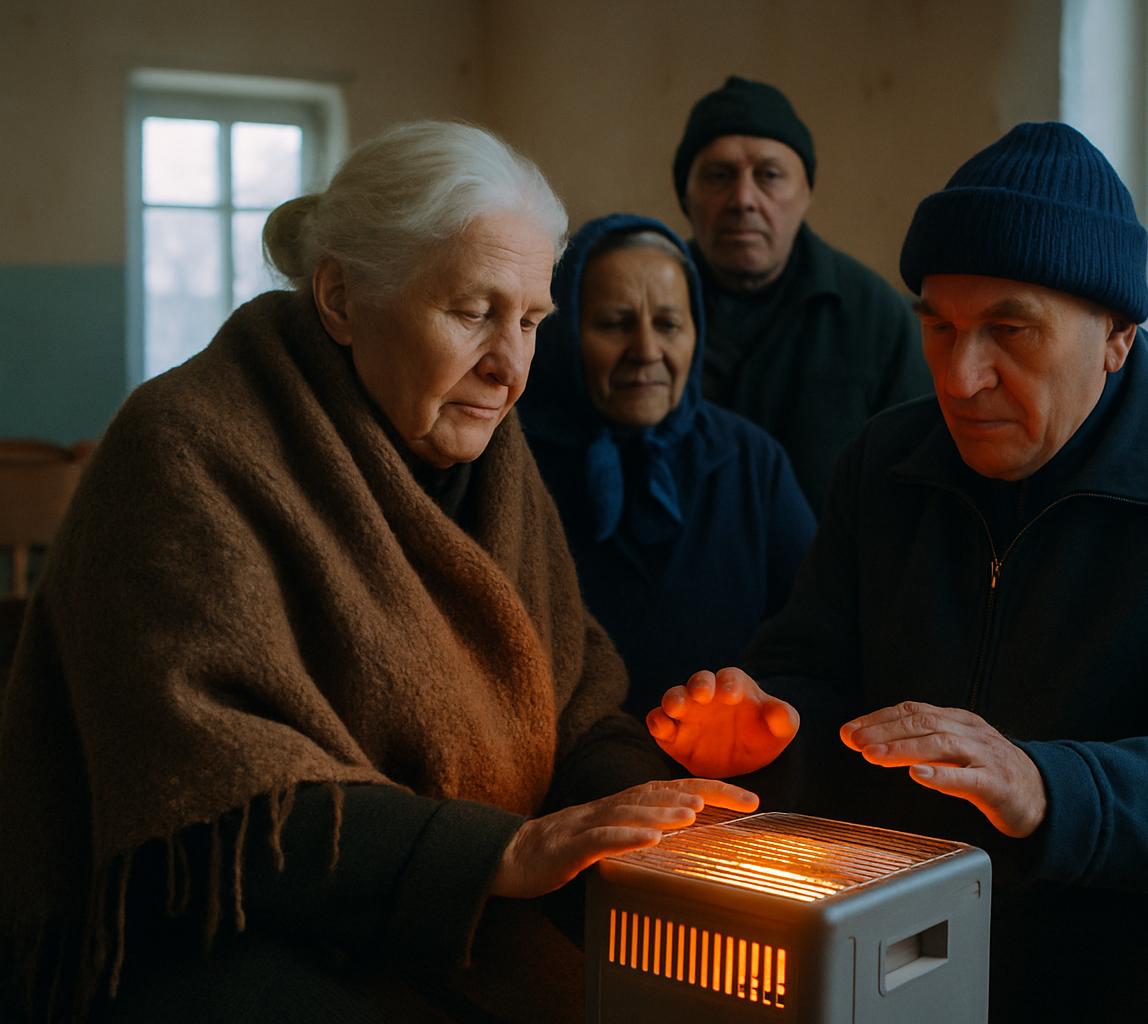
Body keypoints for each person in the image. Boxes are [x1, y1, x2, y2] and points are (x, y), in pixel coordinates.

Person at [0, 122, 756, 1024]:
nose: (511, 368)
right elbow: (208, 801)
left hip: (451, 908)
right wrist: (496, 858)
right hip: (217, 939)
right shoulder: (185, 450)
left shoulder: (496, 464)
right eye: (474, 312)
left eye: (531, 322)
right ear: (342, 297)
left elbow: (574, 705)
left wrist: (655, 795)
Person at [647, 122, 1148, 1022]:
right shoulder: (886, 462)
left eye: (1009, 330)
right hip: (928, 874)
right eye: (939, 328)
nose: (961, 376)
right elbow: (812, 672)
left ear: (1118, 337)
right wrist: (766, 729)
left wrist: (1046, 787)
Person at [519, 213, 816, 719]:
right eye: (614, 324)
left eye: (669, 324)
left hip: (727, 772)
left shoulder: (749, 462)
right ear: (563, 331)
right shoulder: (515, 458)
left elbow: (815, 642)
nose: (647, 351)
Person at [672, 75, 931, 513]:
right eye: (719, 176)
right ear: (686, 195)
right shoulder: (649, 308)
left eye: (769, 175)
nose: (743, 199)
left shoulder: (872, 313)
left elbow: (918, 479)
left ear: (806, 191)